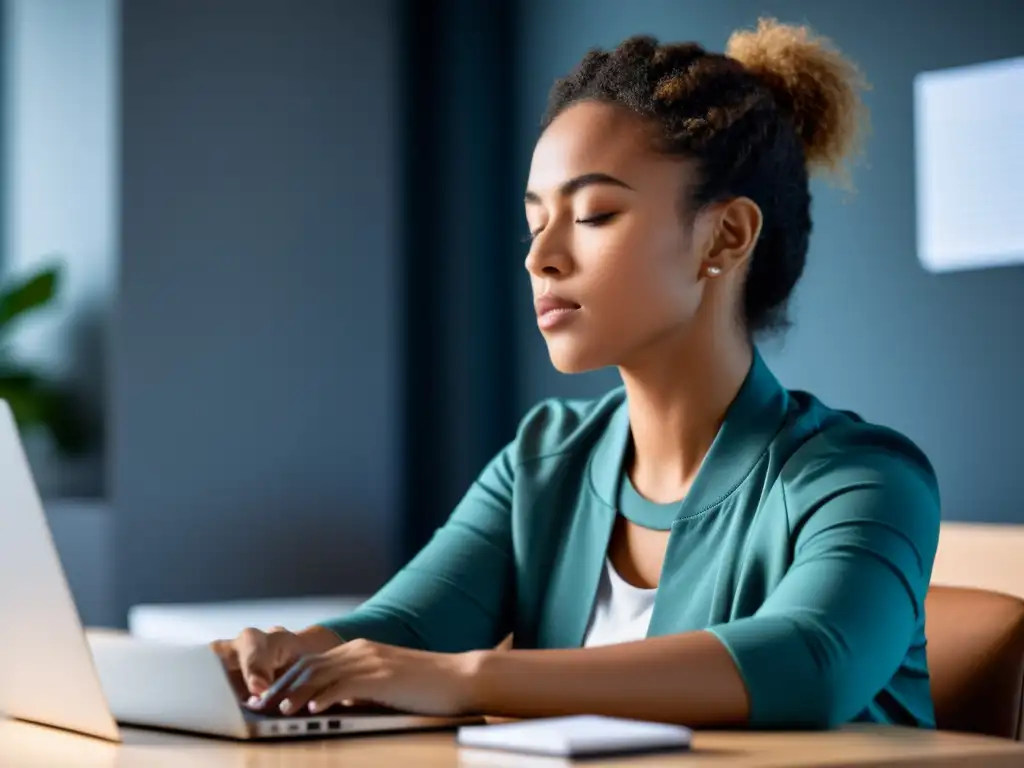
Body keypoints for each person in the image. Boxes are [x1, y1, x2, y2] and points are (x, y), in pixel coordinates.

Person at [213, 18, 940, 730]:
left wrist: (469, 678)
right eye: (535, 223)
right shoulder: (544, 460)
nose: (540, 258)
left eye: (593, 214)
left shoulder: (863, 479)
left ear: (726, 235)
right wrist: (290, 655)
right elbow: (404, 627)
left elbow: (811, 662)